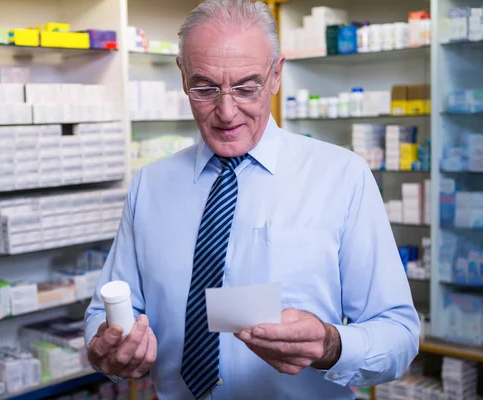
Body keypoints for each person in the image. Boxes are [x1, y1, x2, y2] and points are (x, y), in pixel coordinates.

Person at [84, 0, 420, 398]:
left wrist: (330, 345)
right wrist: (108, 347)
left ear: (276, 75)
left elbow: (399, 333)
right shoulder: (150, 186)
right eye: (205, 88)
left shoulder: (341, 177)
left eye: (246, 87)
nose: (227, 111)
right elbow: (103, 313)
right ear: (182, 76)